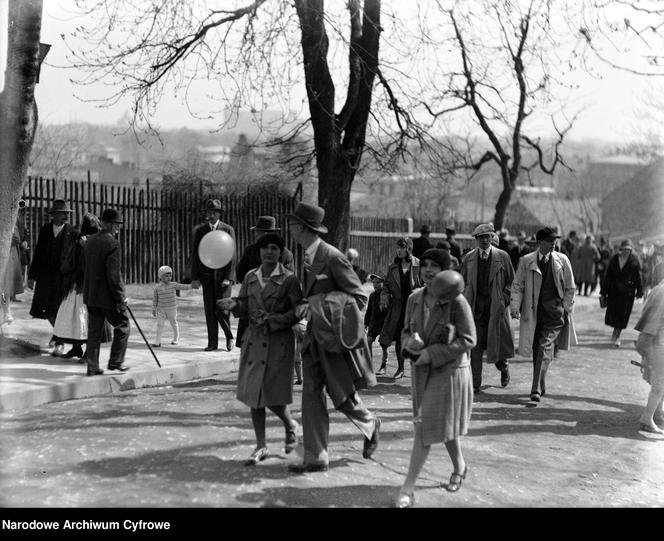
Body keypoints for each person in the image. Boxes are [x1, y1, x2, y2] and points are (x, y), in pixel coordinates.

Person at [286, 202, 380, 473]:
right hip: (314, 340)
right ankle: (317, 456)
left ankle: (371, 424)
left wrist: (322, 306)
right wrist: (305, 313)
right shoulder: (307, 256)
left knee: (342, 397)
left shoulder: (333, 257)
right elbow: (310, 296)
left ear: (302, 228)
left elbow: (359, 296)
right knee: (311, 395)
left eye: (293, 224)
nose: (290, 229)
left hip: (335, 341)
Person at [394, 251, 476, 508]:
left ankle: (408, 488)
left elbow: (468, 340)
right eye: (425, 265)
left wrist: (431, 353)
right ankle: (460, 466)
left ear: (445, 270)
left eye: (435, 266)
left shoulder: (456, 300)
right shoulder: (414, 298)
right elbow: (406, 330)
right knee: (444, 426)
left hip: (449, 371)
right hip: (422, 372)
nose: (428, 270)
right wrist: (410, 342)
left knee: (425, 428)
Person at [218, 233, 303, 464]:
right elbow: (246, 303)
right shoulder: (250, 276)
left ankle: (290, 424)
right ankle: (261, 445)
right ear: (259, 251)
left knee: (273, 395)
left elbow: (298, 311)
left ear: (280, 252)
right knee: (254, 395)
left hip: (278, 344)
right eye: (265, 248)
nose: (269, 252)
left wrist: (274, 319)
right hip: (254, 342)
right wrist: (235, 304)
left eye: (274, 248)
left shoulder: (289, 280)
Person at [510, 227, 576, 402]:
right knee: (537, 349)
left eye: (555, 240)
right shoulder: (526, 261)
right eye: (550, 240)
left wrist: (565, 307)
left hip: (555, 315)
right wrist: (515, 306)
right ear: (540, 243)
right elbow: (517, 285)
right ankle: (541, 381)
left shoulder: (562, 260)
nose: (554, 243)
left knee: (543, 346)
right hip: (533, 314)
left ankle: (535, 388)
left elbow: (570, 287)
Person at [459, 223, 514, 393]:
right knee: (475, 347)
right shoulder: (469, 258)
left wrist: (504, 299)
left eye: (487, 237)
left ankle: (503, 367)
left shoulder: (502, 256)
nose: (484, 240)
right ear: (476, 239)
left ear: (492, 238)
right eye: (480, 237)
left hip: (496, 309)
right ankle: (475, 383)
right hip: (475, 309)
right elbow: (462, 281)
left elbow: (511, 282)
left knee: (497, 347)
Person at [82, 209, 131, 376]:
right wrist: (121, 298)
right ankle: (116, 362)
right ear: (109, 225)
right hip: (107, 297)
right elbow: (114, 275)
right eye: (116, 225)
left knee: (94, 332)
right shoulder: (113, 244)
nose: (117, 228)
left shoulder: (89, 241)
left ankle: (92, 366)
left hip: (90, 295)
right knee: (123, 325)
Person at [27, 199, 79, 356]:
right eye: (63, 214)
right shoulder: (45, 230)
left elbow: (77, 258)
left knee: (59, 310)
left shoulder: (73, 232)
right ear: (54, 215)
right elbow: (37, 254)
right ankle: (58, 336)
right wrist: (32, 276)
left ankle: (59, 340)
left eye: (67, 214)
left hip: (63, 279)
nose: (66, 216)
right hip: (45, 278)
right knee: (46, 311)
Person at [53, 213, 105, 361]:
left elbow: (94, 265)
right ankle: (76, 348)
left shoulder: (96, 242)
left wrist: (86, 247)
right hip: (75, 284)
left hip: (88, 287)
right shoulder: (80, 240)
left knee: (85, 319)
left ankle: (89, 352)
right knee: (71, 317)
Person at [235, 216, 294, 346]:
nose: (256, 234)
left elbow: (240, 274)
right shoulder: (285, 253)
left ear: (266, 234)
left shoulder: (253, 250)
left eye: (258, 232)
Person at [190, 199, 236, 352]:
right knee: (210, 310)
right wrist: (195, 277)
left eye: (214, 212)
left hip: (223, 278)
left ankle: (229, 337)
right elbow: (195, 254)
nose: (211, 215)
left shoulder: (228, 230)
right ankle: (212, 343)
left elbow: (232, 254)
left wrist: (228, 277)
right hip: (207, 277)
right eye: (209, 212)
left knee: (222, 310)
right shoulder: (201, 231)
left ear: (219, 214)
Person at [379, 237, 422, 379]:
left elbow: (425, 284)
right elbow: (385, 287)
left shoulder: (418, 265)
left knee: (416, 337)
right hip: (398, 308)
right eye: (397, 247)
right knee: (399, 338)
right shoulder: (392, 267)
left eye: (401, 247)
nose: (398, 250)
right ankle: (400, 368)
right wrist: (384, 299)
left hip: (415, 307)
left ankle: (419, 368)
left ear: (408, 249)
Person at [633, 280, 664, 434]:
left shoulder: (659, 289)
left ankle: (656, 413)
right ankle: (647, 419)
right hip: (660, 344)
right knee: (659, 386)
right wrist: (645, 349)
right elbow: (652, 324)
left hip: (658, 343)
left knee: (660, 385)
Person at [599, 239, 643, 348]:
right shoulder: (614, 260)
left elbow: (638, 277)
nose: (627, 251)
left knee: (623, 316)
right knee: (614, 314)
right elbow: (608, 276)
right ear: (621, 249)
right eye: (625, 249)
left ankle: (617, 336)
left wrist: (639, 291)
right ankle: (615, 334)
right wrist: (603, 292)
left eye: (629, 250)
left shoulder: (634, 261)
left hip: (627, 293)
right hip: (614, 292)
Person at [152, 265, 197, 347]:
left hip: (171, 309)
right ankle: (157, 341)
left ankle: (176, 338)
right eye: (166, 276)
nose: (169, 278)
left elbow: (183, 286)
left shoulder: (174, 285)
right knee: (160, 325)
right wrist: (154, 308)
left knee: (174, 323)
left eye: (170, 276)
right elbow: (155, 299)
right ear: (161, 277)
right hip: (161, 310)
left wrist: (191, 286)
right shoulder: (157, 288)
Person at [364, 273, 389, 375]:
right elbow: (369, 310)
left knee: (384, 345)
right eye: (374, 282)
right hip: (373, 323)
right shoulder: (372, 295)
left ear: (383, 283)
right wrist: (365, 322)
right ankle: (368, 366)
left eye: (378, 282)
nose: (375, 285)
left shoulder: (387, 296)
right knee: (368, 341)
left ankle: (383, 365)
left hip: (383, 324)